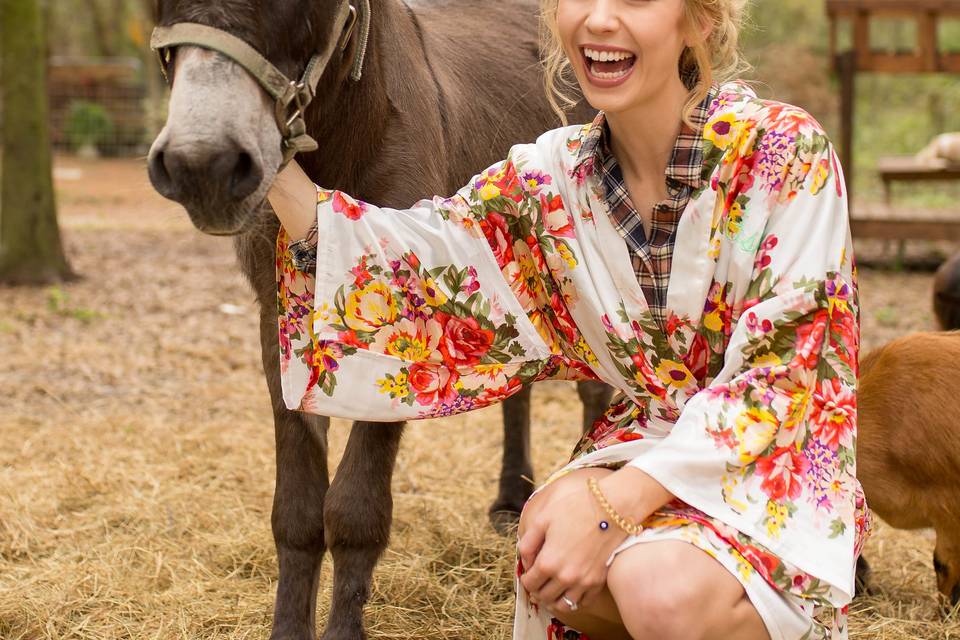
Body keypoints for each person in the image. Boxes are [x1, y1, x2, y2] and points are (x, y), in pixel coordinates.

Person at [267, 0, 870, 638]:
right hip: (646, 440)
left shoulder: (785, 151)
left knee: (654, 586)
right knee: (544, 543)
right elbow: (416, 263)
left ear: (702, 22)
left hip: (770, 460)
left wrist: (611, 506)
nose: (600, 20)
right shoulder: (554, 177)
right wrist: (269, 163)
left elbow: (785, 377)